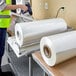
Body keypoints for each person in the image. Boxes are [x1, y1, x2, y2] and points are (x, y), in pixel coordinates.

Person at [0, 0, 28, 76]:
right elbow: (3, 7)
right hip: (0, 25)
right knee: (0, 50)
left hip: (2, 24)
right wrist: (20, 6)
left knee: (1, 49)